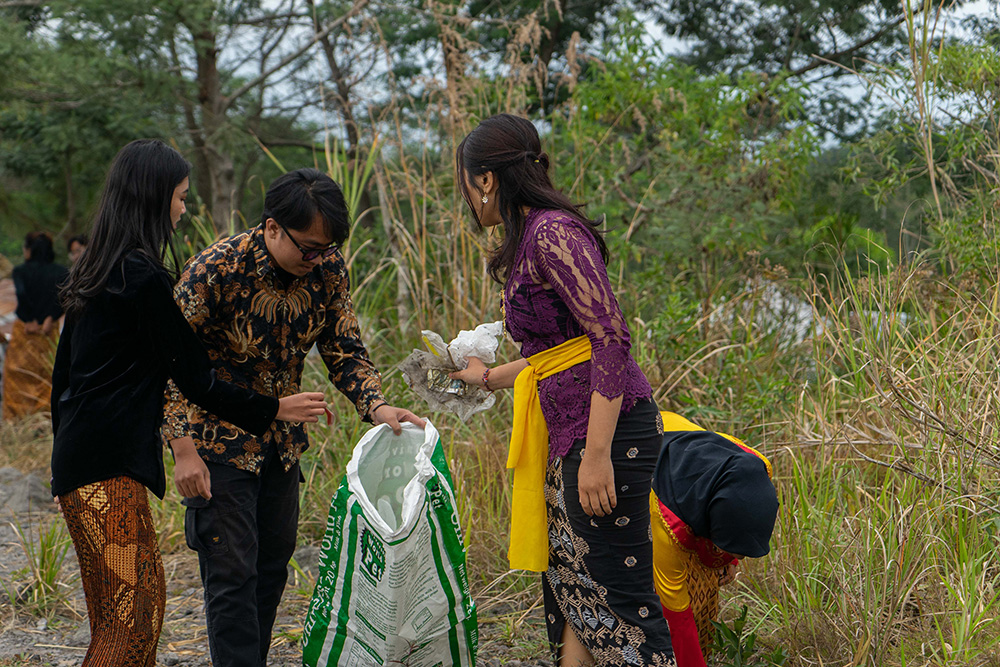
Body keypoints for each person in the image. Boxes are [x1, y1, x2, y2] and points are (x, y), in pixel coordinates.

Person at [50, 139, 328, 667]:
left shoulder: (93, 273)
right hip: (107, 471)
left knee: (121, 620)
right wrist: (274, 409)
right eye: (179, 197)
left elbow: (61, 383)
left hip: (79, 465)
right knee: (131, 624)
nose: (183, 208)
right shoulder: (143, 278)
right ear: (153, 198)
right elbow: (197, 378)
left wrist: (66, 455)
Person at [162, 167, 425, 667]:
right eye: (308, 247)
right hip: (216, 444)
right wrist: (182, 448)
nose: (318, 258)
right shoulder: (216, 269)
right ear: (272, 227)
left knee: (270, 567)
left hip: (281, 447)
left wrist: (376, 405)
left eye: (327, 248)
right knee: (230, 574)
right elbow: (167, 365)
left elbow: (344, 347)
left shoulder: (328, 270)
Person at [449, 113, 675, 666]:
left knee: (620, 602)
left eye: (464, 183)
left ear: (485, 179)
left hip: (606, 435)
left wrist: (597, 456)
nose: (466, 198)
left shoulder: (552, 233)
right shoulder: (531, 236)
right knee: (574, 586)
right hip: (569, 432)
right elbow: (554, 356)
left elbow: (610, 340)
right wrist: (481, 377)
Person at [649, 412, 778, 667]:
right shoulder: (666, 522)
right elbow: (677, 616)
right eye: (738, 553)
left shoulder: (757, 466)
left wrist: (730, 558)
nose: (740, 558)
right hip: (637, 451)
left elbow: (742, 513)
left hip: (682, 445)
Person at [2, 232, 67, 421]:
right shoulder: (61, 271)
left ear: (30, 250)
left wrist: (30, 320)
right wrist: (50, 318)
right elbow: (63, 299)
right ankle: (45, 419)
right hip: (48, 332)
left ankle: (18, 420)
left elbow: (22, 295)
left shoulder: (20, 271)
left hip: (25, 332)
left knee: (18, 376)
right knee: (47, 375)